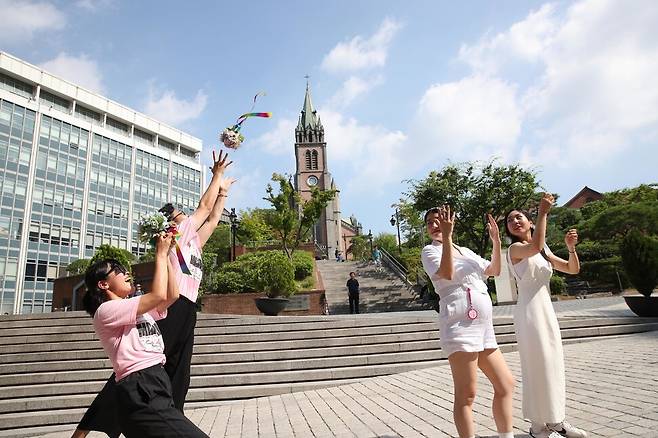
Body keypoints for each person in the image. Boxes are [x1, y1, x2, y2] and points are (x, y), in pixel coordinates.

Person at [73, 150, 234, 438]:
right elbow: (204, 208)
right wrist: (216, 176)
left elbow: (212, 219)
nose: (187, 218)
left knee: (179, 374)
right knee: (144, 366)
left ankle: (172, 418)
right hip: (173, 305)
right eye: (181, 216)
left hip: (187, 309)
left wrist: (223, 193)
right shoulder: (181, 232)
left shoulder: (194, 243)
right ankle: (89, 426)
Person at [80, 234, 207, 437]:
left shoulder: (135, 310)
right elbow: (157, 295)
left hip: (155, 383)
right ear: (103, 284)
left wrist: (166, 258)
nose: (126, 273)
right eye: (118, 271)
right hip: (140, 387)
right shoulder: (106, 311)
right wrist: (159, 252)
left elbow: (172, 296)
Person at [421, 205, 515, 438]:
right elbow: (447, 273)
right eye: (430, 223)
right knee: (467, 394)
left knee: (505, 385)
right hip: (459, 324)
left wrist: (496, 242)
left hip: (484, 328)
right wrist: (447, 235)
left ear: (450, 219)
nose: (434, 225)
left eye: (438, 220)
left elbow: (493, 270)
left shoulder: (466, 250)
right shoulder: (429, 251)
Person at [505, 193, 587, 438]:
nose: (515, 221)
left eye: (519, 217)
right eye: (510, 220)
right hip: (529, 312)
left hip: (546, 312)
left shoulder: (543, 248)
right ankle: (538, 425)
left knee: (552, 365)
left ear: (529, 223)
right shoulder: (516, 248)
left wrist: (571, 249)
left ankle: (556, 421)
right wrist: (543, 212)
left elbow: (572, 269)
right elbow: (535, 246)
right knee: (537, 367)